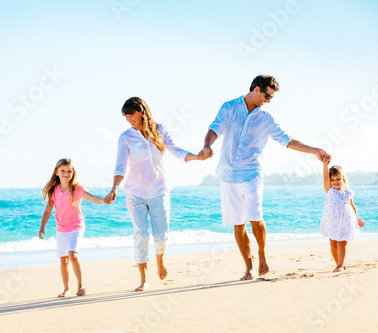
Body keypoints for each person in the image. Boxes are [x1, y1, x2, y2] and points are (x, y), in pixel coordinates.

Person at [199, 75, 331, 280]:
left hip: (251, 174)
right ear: (257, 89)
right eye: (267, 96)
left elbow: (287, 140)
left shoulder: (266, 118)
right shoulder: (229, 107)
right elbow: (214, 129)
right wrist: (207, 146)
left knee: (255, 218)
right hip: (227, 176)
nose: (268, 101)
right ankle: (248, 267)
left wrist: (314, 150)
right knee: (238, 224)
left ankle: (262, 253)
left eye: (271, 98)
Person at [104, 97, 203, 291]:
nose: (128, 119)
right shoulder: (125, 137)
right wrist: (114, 187)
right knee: (140, 234)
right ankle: (143, 279)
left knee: (161, 234)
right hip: (135, 193)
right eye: (126, 116)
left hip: (159, 190)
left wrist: (196, 156)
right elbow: (120, 165)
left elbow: (176, 150)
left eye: (131, 115)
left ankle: (160, 259)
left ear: (141, 111)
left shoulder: (160, 129)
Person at [39, 158, 108, 297]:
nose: (66, 173)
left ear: (73, 173)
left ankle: (81, 285)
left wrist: (104, 200)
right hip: (61, 229)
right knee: (63, 259)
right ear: (57, 172)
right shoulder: (54, 190)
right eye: (63, 171)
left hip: (76, 226)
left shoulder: (76, 189)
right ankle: (66, 289)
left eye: (69, 171)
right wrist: (42, 227)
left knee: (73, 255)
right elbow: (48, 210)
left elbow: (92, 197)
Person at [320, 160, 365, 272]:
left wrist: (358, 219)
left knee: (342, 243)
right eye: (332, 179)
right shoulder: (329, 191)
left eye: (338, 179)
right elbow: (325, 177)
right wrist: (325, 164)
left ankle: (340, 265)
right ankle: (338, 264)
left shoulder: (348, 193)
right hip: (332, 221)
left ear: (343, 180)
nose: (335, 181)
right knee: (333, 243)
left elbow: (352, 206)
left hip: (346, 220)